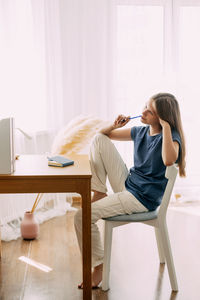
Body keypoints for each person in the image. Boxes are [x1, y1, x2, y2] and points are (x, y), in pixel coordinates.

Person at [74, 92, 186, 289]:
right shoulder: (141, 132)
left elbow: (169, 160)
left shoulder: (171, 138)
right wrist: (115, 126)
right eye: (144, 106)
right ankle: (99, 191)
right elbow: (102, 135)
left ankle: (98, 268)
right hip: (128, 184)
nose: (142, 112)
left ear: (162, 118)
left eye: (149, 111)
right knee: (99, 140)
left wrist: (167, 127)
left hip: (141, 199)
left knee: (81, 216)